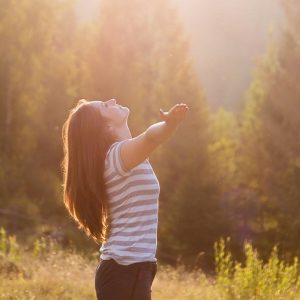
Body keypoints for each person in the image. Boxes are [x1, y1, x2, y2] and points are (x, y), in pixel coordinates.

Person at [61, 98, 189, 300]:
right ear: (106, 127)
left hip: (130, 269)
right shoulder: (117, 158)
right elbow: (151, 137)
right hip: (126, 270)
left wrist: (169, 124)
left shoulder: (124, 157)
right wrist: (170, 123)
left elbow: (149, 139)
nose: (111, 100)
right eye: (105, 105)